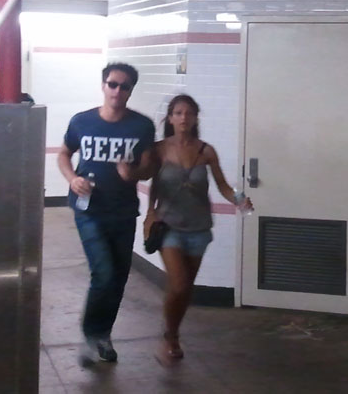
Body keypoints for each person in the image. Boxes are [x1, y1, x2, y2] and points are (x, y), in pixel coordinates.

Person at [57, 62, 156, 366]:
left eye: (124, 86)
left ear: (130, 91)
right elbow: (63, 153)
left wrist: (134, 173)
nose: (117, 90)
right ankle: (92, 332)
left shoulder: (141, 126)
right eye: (112, 84)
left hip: (124, 212)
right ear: (103, 86)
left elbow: (150, 167)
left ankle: (103, 334)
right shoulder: (82, 121)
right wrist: (72, 178)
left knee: (118, 277)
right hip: (89, 211)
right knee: (104, 272)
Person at [142, 93, 251, 364]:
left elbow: (223, 186)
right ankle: (169, 334)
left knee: (186, 288)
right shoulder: (160, 149)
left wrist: (239, 200)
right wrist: (150, 214)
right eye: (178, 113)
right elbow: (154, 185)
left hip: (199, 228)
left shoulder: (206, 151)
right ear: (170, 118)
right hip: (169, 226)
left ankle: (174, 331)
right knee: (178, 283)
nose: (184, 118)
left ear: (195, 118)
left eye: (189, 113)